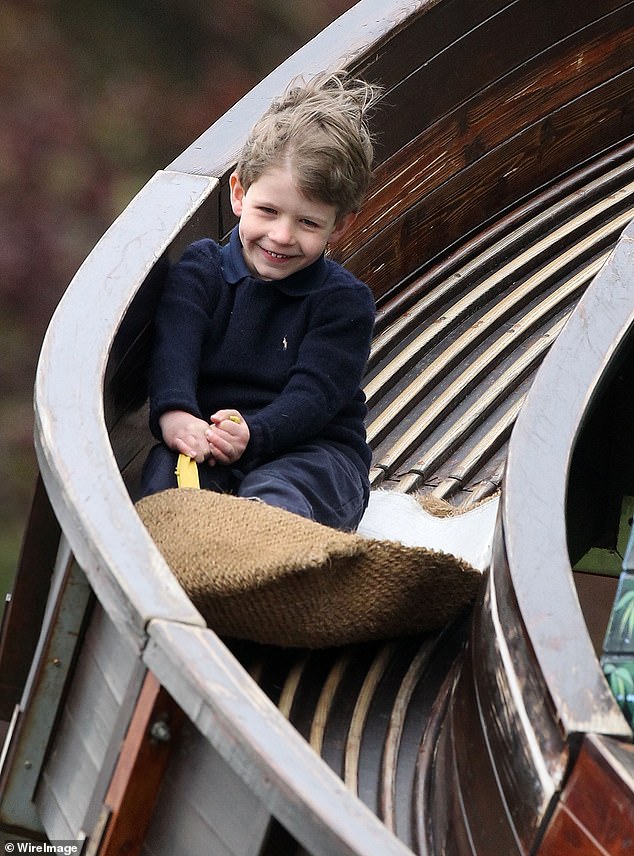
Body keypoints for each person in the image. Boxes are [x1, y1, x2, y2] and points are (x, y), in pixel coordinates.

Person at [141, 70, 381, 530]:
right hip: (212, 441)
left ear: (341, 225)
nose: (282, 236)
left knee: (280, 492)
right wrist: (176, 415)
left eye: (308, 223)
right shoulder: (202, 273)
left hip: (314, 450)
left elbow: (315, 396)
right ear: (238, 193)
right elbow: (174, 351)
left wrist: (255, 433)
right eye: (267, 211)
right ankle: (179, 572)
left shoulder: (343, 303)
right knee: (164, 484)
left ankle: (266, 566)